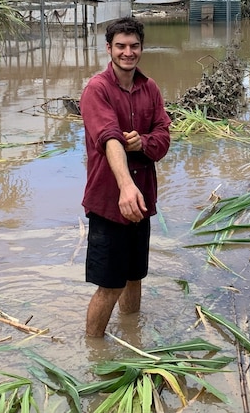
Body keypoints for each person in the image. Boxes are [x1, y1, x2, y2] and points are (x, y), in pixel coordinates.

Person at [79, 17, 172, 337]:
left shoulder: (151, 88)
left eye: (134, 46)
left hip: (141, 199)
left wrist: (143, 142)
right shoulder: (96, 89)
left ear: (142, 49)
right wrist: (126, 186)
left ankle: (132, 335)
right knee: (109, 285)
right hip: (110, 201)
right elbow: (108, 138)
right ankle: (94, 350)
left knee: (135, 276)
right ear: (109, 49)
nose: (128, 52)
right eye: (121, 46)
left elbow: (163, 138)